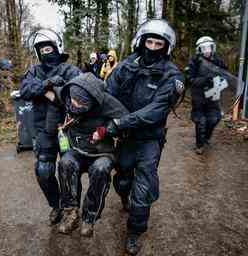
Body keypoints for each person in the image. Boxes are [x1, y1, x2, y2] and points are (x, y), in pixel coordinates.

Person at [105, 19, 184, 255]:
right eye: (148, 41)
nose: (152, 46)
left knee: (143, 188)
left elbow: (156, 110)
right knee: (122, 180)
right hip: (126, 137)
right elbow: (108, 93)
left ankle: (134, 232)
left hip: (150, 138)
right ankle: (124, 199)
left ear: (166, 46)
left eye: (158, 43)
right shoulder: (126, 66)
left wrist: (120, 122)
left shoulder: (172, 75)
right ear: (140, 41)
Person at [55, 72, 129, 236]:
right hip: (77, 149)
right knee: (65, 163)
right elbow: (51, 92)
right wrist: (47, 83)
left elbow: (127, 120)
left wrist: (106, 130)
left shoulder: (107, 102)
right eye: (72, 100)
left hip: (101, 152)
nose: (74, 105)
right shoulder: (68, 94)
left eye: (80, 103)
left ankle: (89, 217)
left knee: (100, 170)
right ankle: (70, 214)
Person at [20, 29, 81, 225]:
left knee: (69, 169)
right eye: (42, 49)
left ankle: (72, 208)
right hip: (43, 130)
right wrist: (46, 84)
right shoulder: (34, 71)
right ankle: (57, 205)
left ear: (56, 48)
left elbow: (80, 93)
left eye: (49, 48)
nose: (46, 52)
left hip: (67, 129)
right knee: (43, 171)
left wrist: (54, 93)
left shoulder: (70, 69)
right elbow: (25, 90)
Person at [188, 36, 227, 155]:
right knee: (200, 120)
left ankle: (206, 138)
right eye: (203, 48)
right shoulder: (194, 61)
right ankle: (199, 145)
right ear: (199, 49)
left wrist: (221, 81)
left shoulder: (218, 61)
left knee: (214, 118)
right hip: (198, 95)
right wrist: (205, 80)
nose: (207, 50)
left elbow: (225, 75)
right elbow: (190, 79)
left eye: (209, 47)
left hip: (213, 94)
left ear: (213, 47)